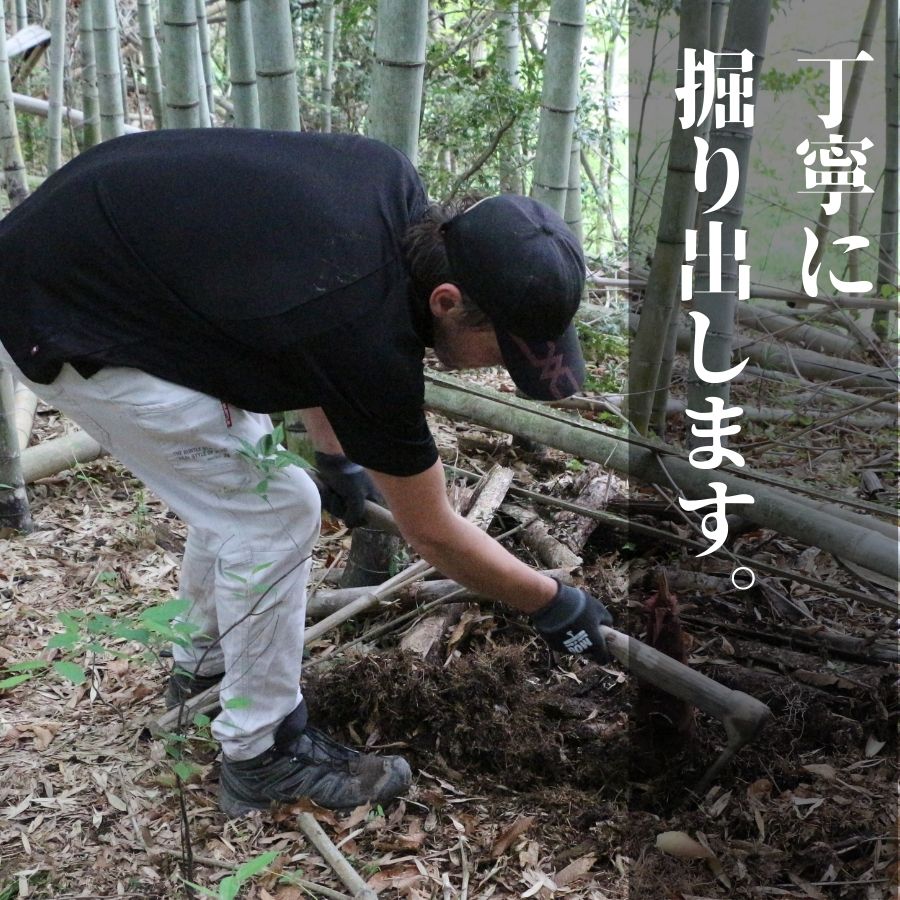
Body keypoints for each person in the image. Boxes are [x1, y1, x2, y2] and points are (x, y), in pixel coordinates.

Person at [0, 129, 613, 817]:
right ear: (446, 301)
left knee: (244, 484)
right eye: (502, 350)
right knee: (274, 510)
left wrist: (336, 455)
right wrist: (550, 601)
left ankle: (204, 669)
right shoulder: (366, 332)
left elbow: (309, 332)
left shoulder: (388, 188)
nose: (500, 368)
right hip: (58, 308)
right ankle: (262, 752)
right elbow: (433, 531)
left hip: (102, 256)